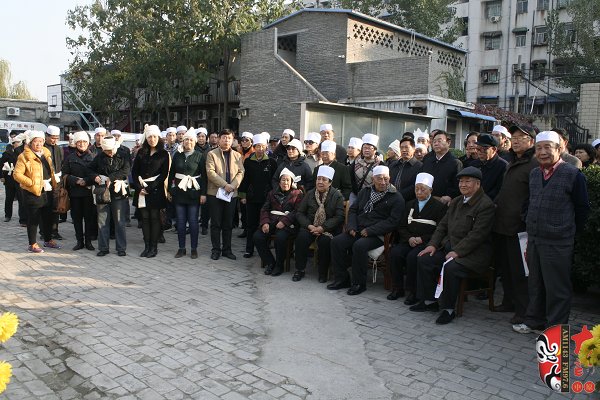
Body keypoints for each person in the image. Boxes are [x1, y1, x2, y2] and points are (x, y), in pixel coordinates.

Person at [513, 131, 590, 334]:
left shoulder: (573, 174)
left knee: (557, 288)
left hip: (558, 241)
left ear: (559, 149)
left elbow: (582, 208)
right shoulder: (535, 173)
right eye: (539, 148)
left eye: (548, 147)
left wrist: (568, 231)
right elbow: (529, 201)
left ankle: (556, 328)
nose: (543, 152)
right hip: (535, 238)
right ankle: (534, 320)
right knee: (535, 283)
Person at [412, 166, 496, 325]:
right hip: (450, 248)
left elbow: (477, 235)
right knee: (425, 259)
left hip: (473, 254)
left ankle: (448, 308)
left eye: (467, 182)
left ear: (477, 184)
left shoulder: (485, 205)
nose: (463, 185)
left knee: (451, 268)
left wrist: (458, 251)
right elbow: (442, 226)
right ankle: (430, 301)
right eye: (461, 182)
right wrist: (432, 245)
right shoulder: (457, 201)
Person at [328, 165, 404, 295]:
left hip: (377, 234)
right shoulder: (365, 192)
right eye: (379, 179)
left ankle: (359, 283)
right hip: (358, 229)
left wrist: (370, 230)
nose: (383, 182)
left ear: (389, 178)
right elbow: (353, 210)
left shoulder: (396, 197)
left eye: (386, 179)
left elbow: (392, 222)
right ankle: (342, 278)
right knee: (336, 242)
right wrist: (351, 226)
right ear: (373, 179)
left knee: (359, 246)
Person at [493, 125, 538, 324]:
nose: (517, 140)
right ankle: (509, 301)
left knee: (521, 272)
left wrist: (523, 218)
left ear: (532, 141)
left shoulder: (534, 164)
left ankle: (524, 311)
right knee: (507, 269)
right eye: (515, 137)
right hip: (502, 224)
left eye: (522, 137)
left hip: (519, 228)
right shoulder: (513, 161)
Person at [387, 173, 447, 303]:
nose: (419, 192)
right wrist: (409, 238)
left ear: (430, 190)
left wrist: (422, 239)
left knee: (413, 257)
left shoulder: (439, 207)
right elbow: (401, 226)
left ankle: (413, 291)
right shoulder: (409, 204)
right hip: (409, 240)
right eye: (416, 189)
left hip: (425, 242)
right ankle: (397, 288)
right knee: (395, 253)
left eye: (423, 189)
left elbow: (440, 230)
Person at [293, 165, 345, 282]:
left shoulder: (337, 195)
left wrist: (323, 227)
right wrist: (309, 225)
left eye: (324, 179)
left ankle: (323, 272)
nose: (320, 182)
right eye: (318, 179)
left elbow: (339, 216)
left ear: (330, 182)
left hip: (328, 229)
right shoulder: (310, 194)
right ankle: (299, 269)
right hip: (310, 226)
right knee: (301, 237)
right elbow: (300, 213)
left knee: (325, 241)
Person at [13, 130, 61, 253]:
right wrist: (31, 183)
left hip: (47, 190)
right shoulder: (24, 156)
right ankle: (32, 244)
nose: (38, 144)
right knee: (33, 218)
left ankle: (48, 240)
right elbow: (17, 174)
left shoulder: (46, 154)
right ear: (30, 143)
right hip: (33, 192)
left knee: (47, 217)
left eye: (40, 141)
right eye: (35, 141)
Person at [253, 168, 303, 276]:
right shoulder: (272, 193)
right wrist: (265, 222)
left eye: (287, 180)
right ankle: (270, 262)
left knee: (280, 238)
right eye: (283, 180)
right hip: (272, 221)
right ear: (279, 182)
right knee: (258, 236)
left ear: (291, 182)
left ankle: (279, 265)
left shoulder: (297, 194)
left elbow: (297, 211)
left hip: (289, 224)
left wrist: (285, 221)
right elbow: (264, 209)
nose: (285, 182)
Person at [131, 125, 170, 258]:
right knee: (144, 219)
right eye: (149, 137)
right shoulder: (141, 152)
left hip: (155, 191)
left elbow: (163, 175)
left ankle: (154, 246)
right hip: (141, 190)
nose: (152, 139)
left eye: (154, 137)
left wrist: (150, 187)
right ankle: (147, 246)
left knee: (154, 218)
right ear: (146, 138)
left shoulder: (164, 154)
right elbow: (134, 171)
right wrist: (138, 187)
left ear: (158, 138)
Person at [206, 128, 245, 260]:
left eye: (229, 138)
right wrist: (225, 185)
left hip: (231, 194)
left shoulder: (237, 155)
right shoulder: (212, 154)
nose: (226, 140)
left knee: (228, 223)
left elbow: (241, 172)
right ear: (219, 139)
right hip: (215, 193)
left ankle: (227, 250)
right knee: (216, 223)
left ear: (232, 140)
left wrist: (233, 186)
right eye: (224, 137)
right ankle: (216, 249)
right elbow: (210, 172)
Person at [168, 129, 207, 259]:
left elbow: (204, 177)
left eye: (191, 140)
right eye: (186, 140)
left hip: (193, 193)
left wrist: (203, 193)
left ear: (194, 142)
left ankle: (194, 248)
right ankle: (181, 248)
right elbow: (171, 174)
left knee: (193, 222)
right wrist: (169, 189)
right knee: (180, 222)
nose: (188, 142)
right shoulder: (177, 155)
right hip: (179, 193)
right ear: (182, 141)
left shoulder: (199, 156)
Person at [89, 135, 130, 257]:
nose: (109, 153)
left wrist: (111, 177)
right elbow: (89, 169)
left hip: (118, 193)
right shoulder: (100, 157)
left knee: (119, 221)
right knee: (102, 221)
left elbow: (126, 170)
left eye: (110, 150)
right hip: (103, 192)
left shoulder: (123, 155)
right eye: (106, 151)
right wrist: (94, 176)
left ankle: (121, 248)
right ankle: (103, 248)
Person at [238, 134, 278, 258]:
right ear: (254, 147)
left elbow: (274, 180)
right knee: (251, 224)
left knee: (265, 224)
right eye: (258, 146)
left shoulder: (271, 162)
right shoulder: (249, 161)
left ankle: (263, 250)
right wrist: (243, 195)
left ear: (266, 147)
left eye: (263, 146)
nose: (260, 149)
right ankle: (249, 249)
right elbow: (245, 179)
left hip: (266, 199)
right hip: (251, 198)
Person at [61, 131, 97, 251]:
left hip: (88, 193)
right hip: (75, 193)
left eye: (84, 142)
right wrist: (75, 180)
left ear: (88, 143)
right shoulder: (70, 158)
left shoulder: (92, 157)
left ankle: (88, 242)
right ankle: (79, 242)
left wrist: (86, 181)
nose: (82, 144)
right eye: (79, 142)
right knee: (76, 218)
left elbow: (97, 174)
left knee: (89, 218)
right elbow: (64, 174)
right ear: (76, 143)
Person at [420, 130, 462, 205]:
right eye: (434, 141)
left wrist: (450, 196)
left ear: (448, 143)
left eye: (439, 141)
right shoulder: (428, 161)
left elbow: (458, 185)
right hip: (426, 200)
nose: (436, 144)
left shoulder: (455, 163)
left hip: (444, 203)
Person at [472, 133, 508, 200]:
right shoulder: (474, 164)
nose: (479, 152)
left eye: (483, 149)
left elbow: (499, 191)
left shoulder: (503, 166)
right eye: (478, 149)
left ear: (494, 149)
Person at [350, 133, 381, 204]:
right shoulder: (356, 162)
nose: (366, 150)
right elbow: (351, 178)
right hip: (356, 195)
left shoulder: (380, 164)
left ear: (375, 150)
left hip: (372, 196)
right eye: (364, 148)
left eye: (369, 148)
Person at [45, 126, 64, 240]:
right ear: (47, 136)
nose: (54, 140)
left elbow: (60, 164)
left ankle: (54, 230)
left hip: (56, 182)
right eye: (52, 138)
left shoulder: (58, 149)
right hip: (45, 182)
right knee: (45, 208)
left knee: (56, 207)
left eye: (56, 138)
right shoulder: (42, 148)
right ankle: (44, 231)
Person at [388, 137, 422, 202]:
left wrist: (398, 195)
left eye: (406, 147)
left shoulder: (419, 166)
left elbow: (415, 186)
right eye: (401, 148)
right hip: (391, 200)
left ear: (414, 149)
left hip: (408, 202)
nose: (403, 150)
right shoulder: (393, 165)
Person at [1, 134, 24, 222]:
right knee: (9, 198)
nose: (18, 144)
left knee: (21, 199)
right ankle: (8, 215)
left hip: (19, 179)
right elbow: (1, 165)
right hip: (9, 178)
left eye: (19, 142)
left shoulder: (22, 153)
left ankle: (22, 218)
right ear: (13, 143)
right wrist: (2, 176)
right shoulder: (7, 153)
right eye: (17, 142)